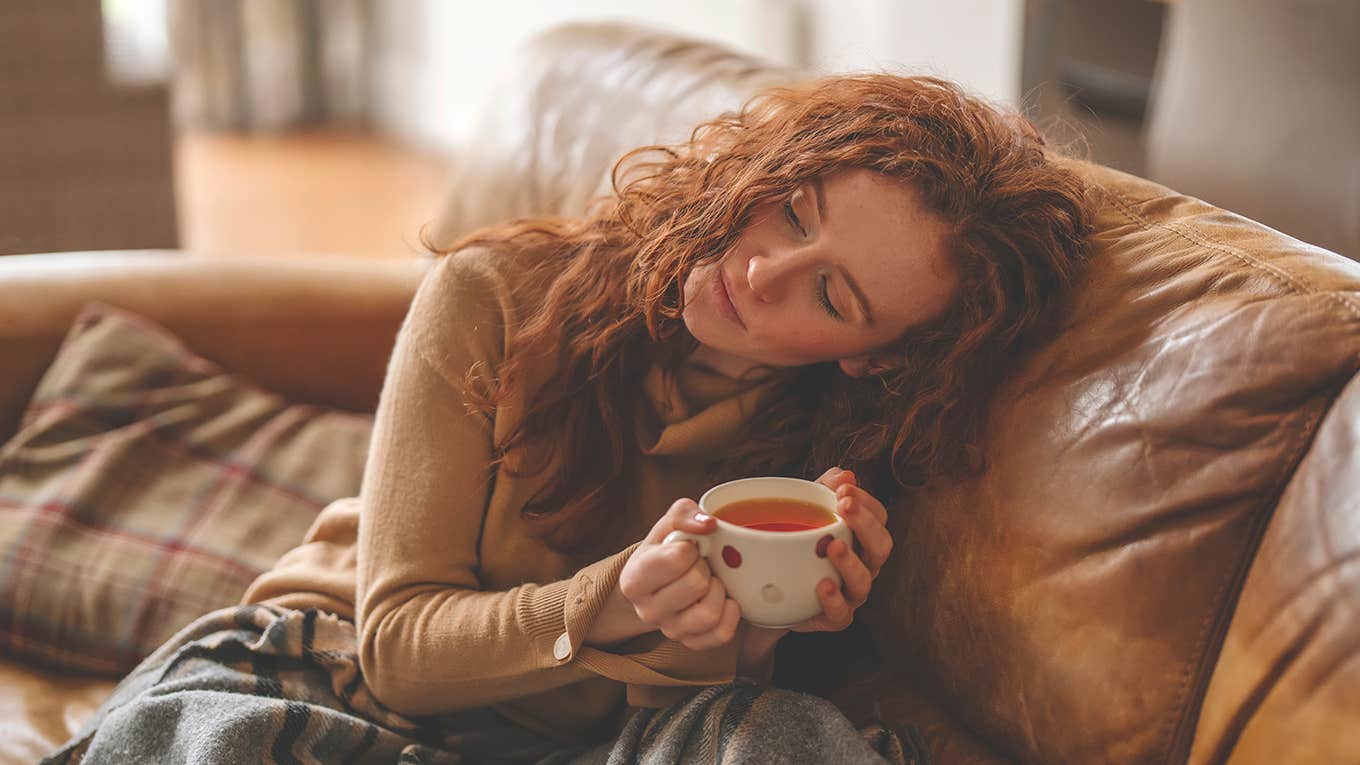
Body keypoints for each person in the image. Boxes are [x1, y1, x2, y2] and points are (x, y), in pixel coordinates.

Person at [46, 74, 1092, 764]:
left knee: (786, 737)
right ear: (766, 174)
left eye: (830, 295)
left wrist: (781, 627)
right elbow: (401, 646)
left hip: (599, 738)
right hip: (349, 680)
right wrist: (609, 601)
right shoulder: (495, 292)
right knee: (200, 739)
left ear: (873, 355)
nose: (761, 270)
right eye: (792, 210)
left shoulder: (841, 461)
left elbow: (702, 712)